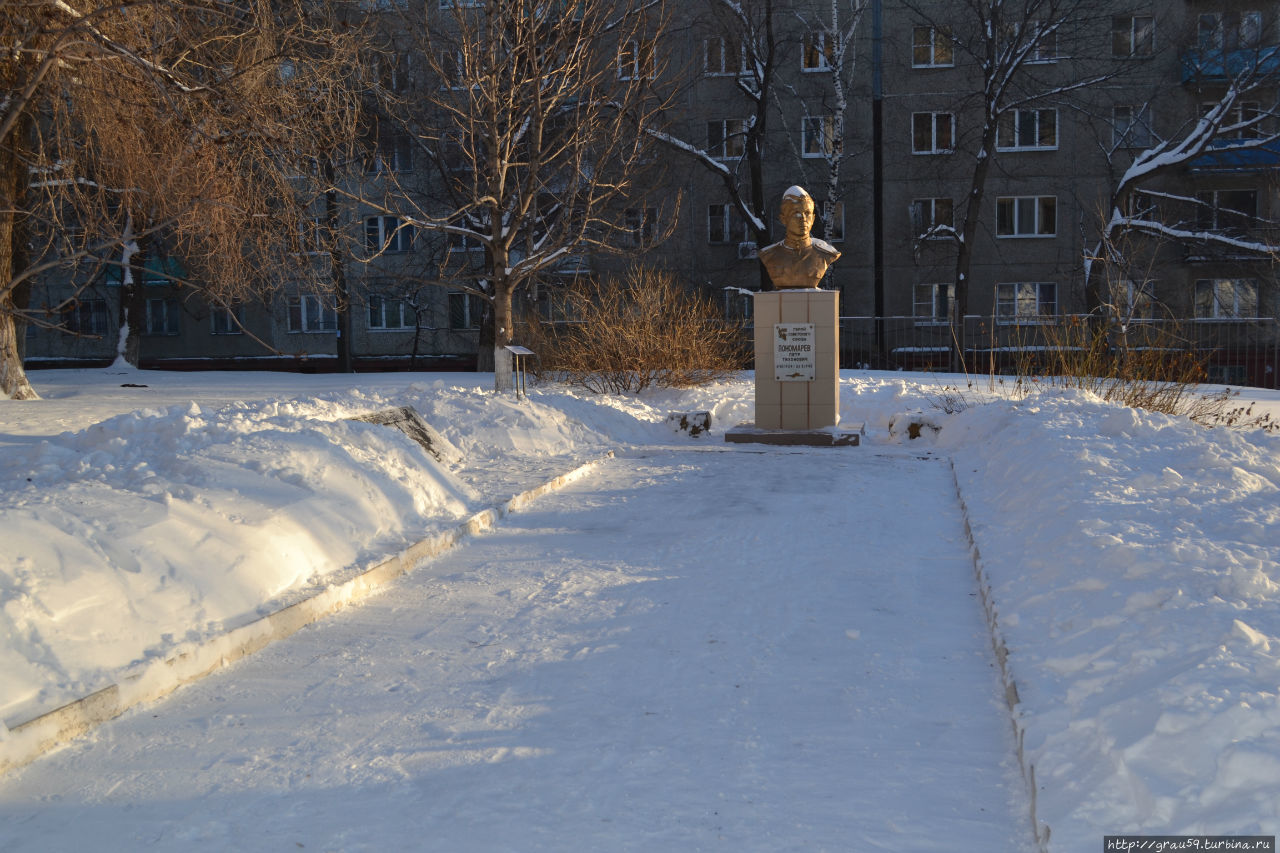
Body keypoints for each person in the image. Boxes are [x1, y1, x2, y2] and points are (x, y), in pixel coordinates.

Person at [757, 186, 841, 289]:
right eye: (796, 213)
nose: (803, 219)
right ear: (783, 219)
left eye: (807, 213)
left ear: (813, 219)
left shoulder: (825, 254)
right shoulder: (769, 255)